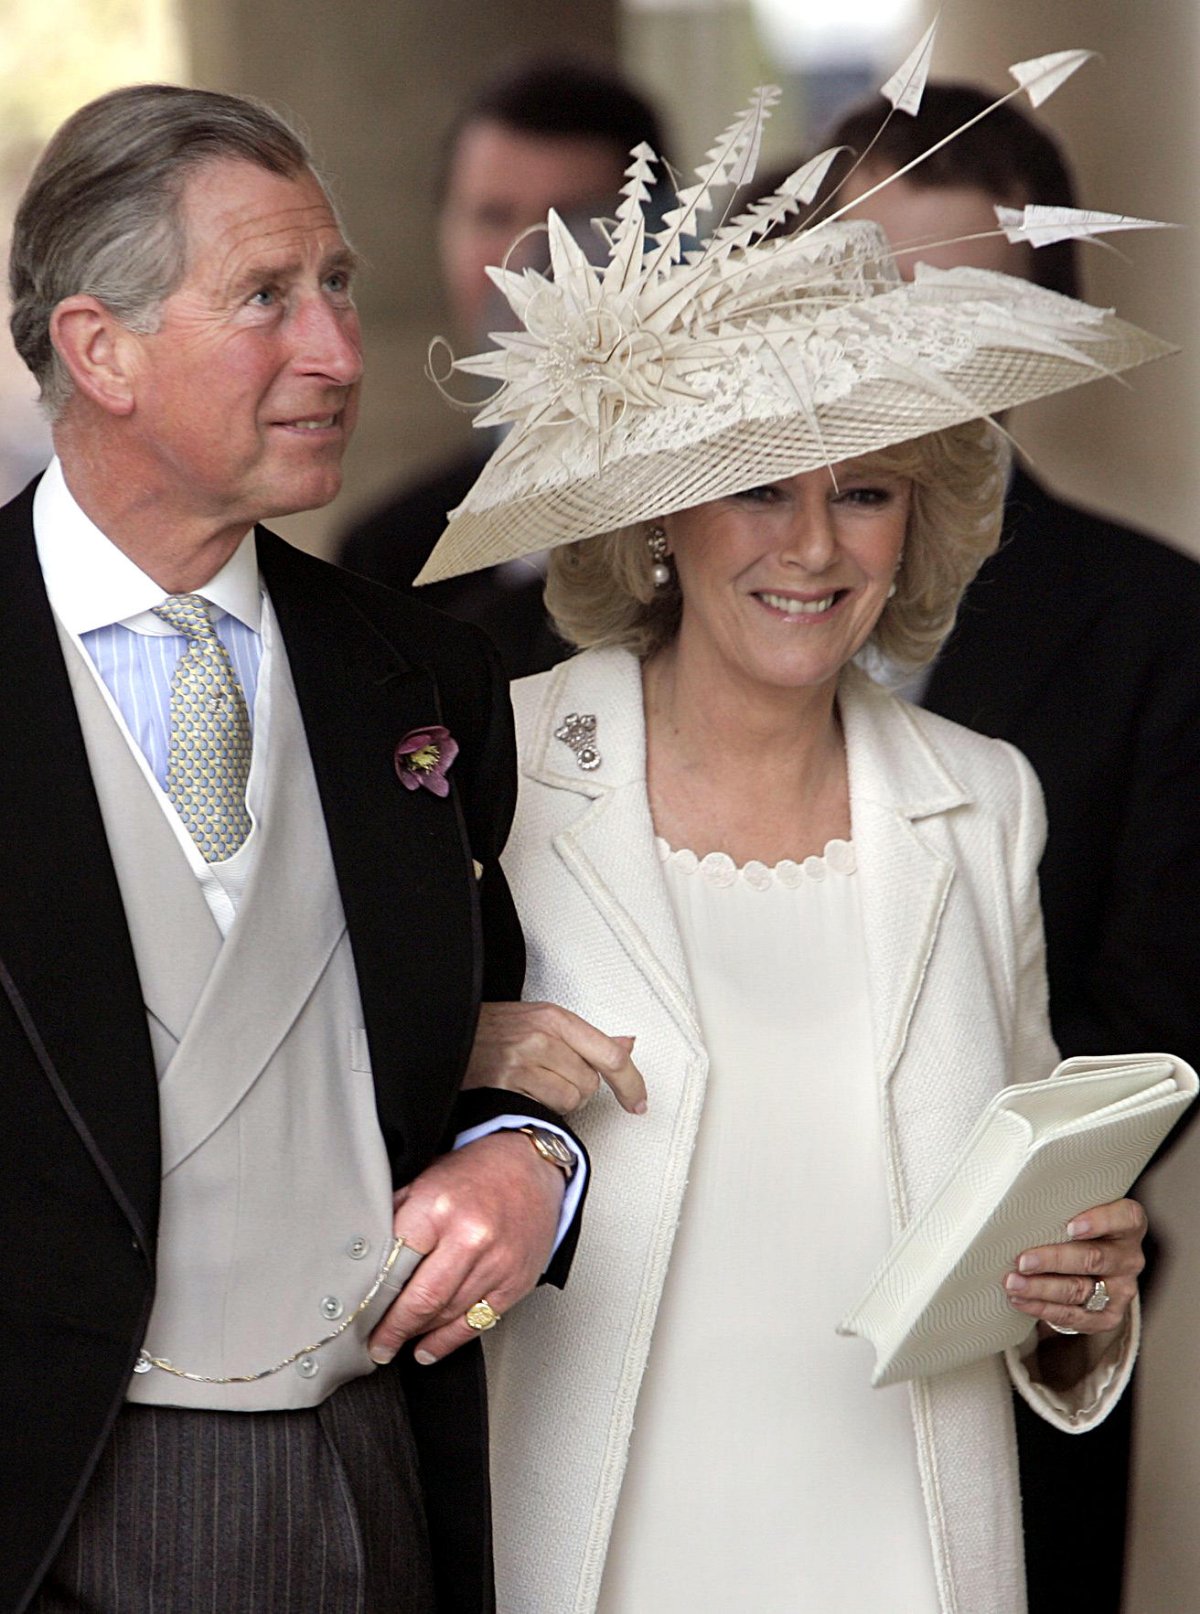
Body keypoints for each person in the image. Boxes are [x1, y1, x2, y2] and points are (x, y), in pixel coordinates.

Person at [414, 70, 1169, 1613]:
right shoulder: (503, 764)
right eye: (755, 485)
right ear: (660, 519)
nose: (812, 545)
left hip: (904, 1532)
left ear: (920, 524)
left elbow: (1026, 1215)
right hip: (597, 1532)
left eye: (868, 493)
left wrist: (1082, 1302)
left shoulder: (987, 800)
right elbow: (333, 1110)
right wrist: (457, 1040)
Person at [0, 83, 605, 1613]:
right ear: (97, 348)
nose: (337, 350)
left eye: (334, 286)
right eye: (266, 297)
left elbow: (496, 1046)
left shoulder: (432, 674)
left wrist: (533, 1163)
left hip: (373, 1473)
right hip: (39, 1496)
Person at [825, 81, 1200, 1612]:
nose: (900, 349)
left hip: (1006, 1308)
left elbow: (1154, 1022)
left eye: (958, 309)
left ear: (1040, 343)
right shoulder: (648, 617)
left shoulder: (1156, 627)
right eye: (862, 292)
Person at [337, 57, 667, 677]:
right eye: (492, 216)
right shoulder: (387, 556)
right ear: (443, 233)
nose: (527, 260)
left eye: (572, 223)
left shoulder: (728, 519)